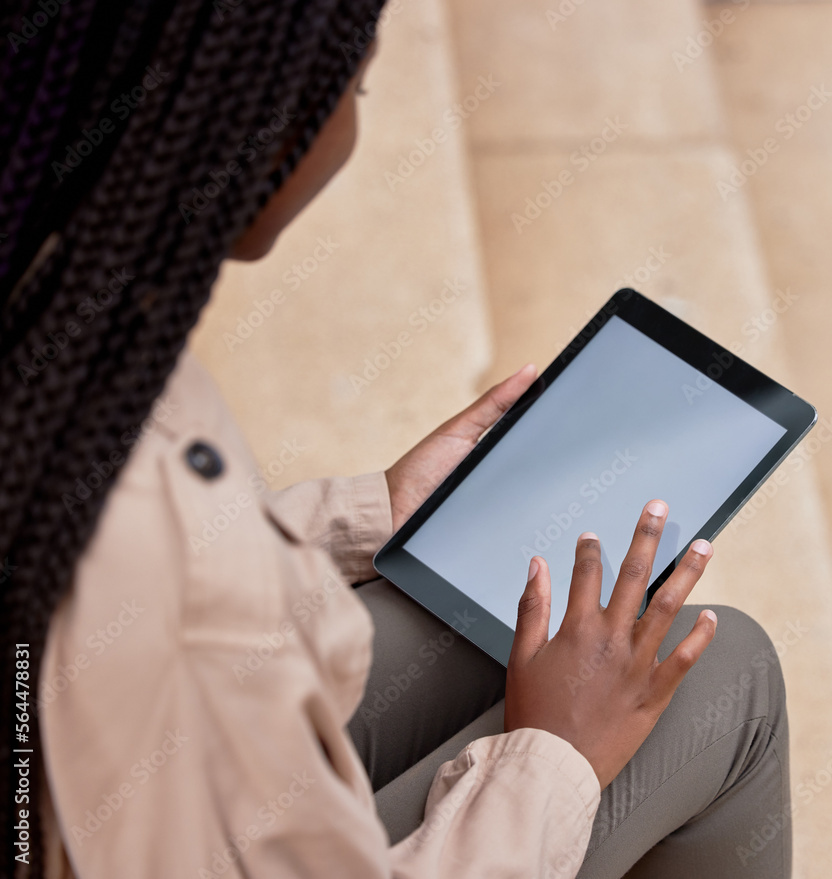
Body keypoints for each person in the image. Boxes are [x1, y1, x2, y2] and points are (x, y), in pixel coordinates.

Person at [0, 2, 791, 877]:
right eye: (355, 83)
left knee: (500, 622)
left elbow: (128, 603)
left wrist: (369, 512)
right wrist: (554, 758)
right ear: (261, 118)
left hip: (144, 755)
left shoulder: (53, 323)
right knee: (729, 677)